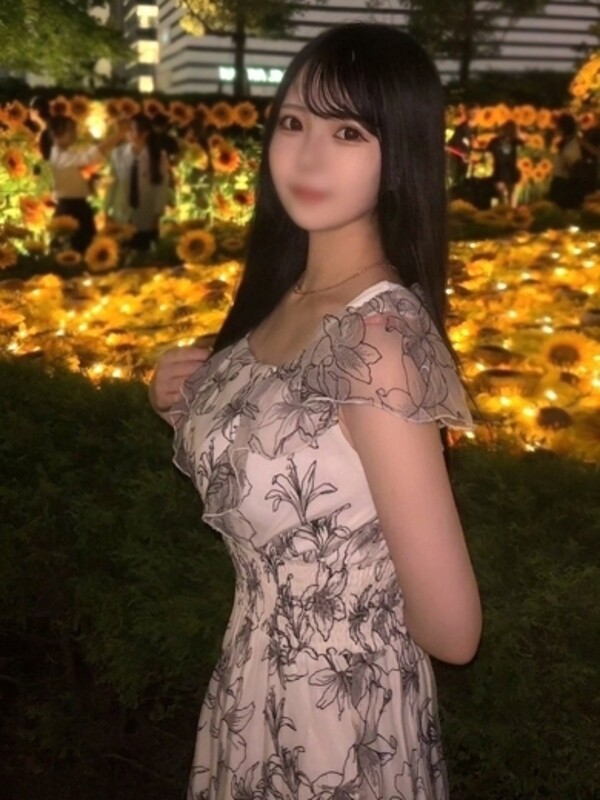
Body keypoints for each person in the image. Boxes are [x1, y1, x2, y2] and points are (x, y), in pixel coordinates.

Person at [149, 23, 482, 799]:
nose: (307, 155)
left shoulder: (377, 342)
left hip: (338, 725)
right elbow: (291, 458)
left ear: (399, 156)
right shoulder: (289, 296)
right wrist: (180, 405)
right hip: (251, 692)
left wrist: (338, 599)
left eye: (348, 132)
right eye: (294, 122)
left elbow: (453, 630)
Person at [47, 115, 124, 253]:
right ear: (57, 134)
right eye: (71, 131)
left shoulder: (65, 153)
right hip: (70, 208)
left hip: (77, 206)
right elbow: (90, 156)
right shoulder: (59, 156)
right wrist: (118, 135)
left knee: (85, 247)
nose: (75, 134)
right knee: (75, 249)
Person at [105, 113, 170, 251]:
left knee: (144, 252)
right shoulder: (117, 154)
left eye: (131, 130)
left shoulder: (158, 156)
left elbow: (162, 187)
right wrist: (106, 209)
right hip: (121, 213)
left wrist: (157, 213)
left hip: (146, 215)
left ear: (144, 133)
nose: (127, 134)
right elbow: (112, 183)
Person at [549, 113, 584, 210]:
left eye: (557, 126)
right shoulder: (565, 143)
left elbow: (574, 166)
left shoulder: (573, 145)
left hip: (565, 185)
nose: (555, 128)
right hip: (559, 183)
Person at [486, 120, 524, 207]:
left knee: (510, 198)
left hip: (511, 172)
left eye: (511, 129)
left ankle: (510, 213)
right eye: (507, 129)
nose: (508, 131)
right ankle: (505, 212)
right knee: (504, 197)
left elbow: (524, 144)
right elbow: (488, 154)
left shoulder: (515, 142)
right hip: (500, 172)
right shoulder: (495, 141)